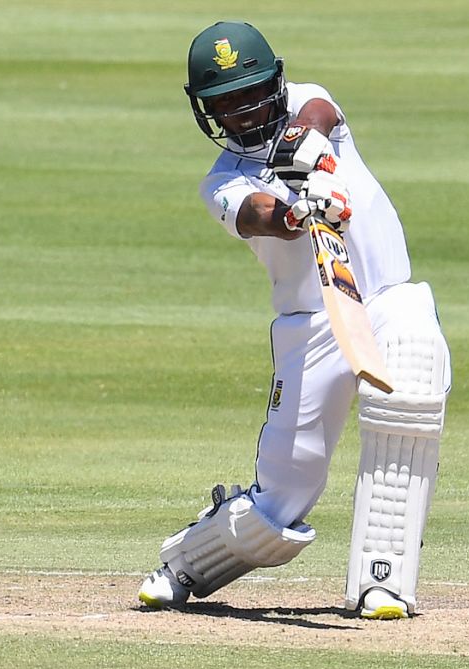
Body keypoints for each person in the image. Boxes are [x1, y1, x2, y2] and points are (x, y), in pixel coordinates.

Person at [137, 21, 450, 619]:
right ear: (206, 112)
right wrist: (292, 211)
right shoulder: (223, 181)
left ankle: (381, 581)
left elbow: (319, 113)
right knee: (284, 494)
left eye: (251, 92)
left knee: (413, 369)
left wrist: (305, 153)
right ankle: (188, 562)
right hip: (312, 325)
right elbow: (255, 214)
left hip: (384, 297)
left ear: (274, 81)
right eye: (225, 103)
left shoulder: (309, 100)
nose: (242, 111)